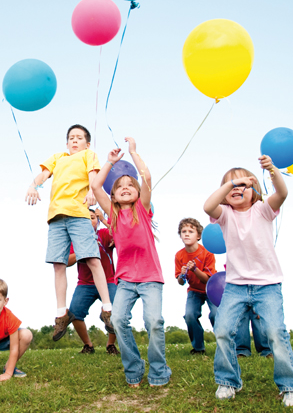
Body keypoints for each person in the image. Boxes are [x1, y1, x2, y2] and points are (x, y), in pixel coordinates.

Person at [203, 156, 293, 408]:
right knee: (223, 331)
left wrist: (272, 170)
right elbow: (207, 206)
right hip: (235, 287)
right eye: (230, 186)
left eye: (242, 186)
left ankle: (290, 386)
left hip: (267, 285)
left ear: (255, 191)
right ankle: (227, 381)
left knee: (275, 333)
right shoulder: (224, 214)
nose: (235, 189)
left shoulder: (263, 209)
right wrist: (234, 182)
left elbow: (282, 192)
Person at [91, 138, 171, 388]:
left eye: (130, 184)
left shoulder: (144, 210)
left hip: (150, 278)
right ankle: (134, 370)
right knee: (117, 320)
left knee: (153, 322)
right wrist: (109, 162)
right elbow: (95, 186)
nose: (125, 187)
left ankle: (159, 371)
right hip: (125, 280)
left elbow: (146, 176)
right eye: (119, 186)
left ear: (137, 192)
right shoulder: (113, 215)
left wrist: (134, 153)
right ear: (113, 195)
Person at [25, 124, 114, 340]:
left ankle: (108, 309)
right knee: (58, 264)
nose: (74, 140)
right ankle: (60, 315)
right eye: (71, 138)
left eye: (79, 137)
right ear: (66, 143)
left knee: (92, 259)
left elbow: (94, 178)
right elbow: (43, 175)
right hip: (56, 217)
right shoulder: (58, 157)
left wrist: (93, 193)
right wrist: (32, 187)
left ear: (87, 143)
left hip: (78, 214)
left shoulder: (88, 155)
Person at [68, 208, 118, 355]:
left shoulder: (103, 234)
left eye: (92, 218)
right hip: (85, 284)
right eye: (85, 218)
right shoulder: (76, 239)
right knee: (74, 313)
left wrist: (104, 219)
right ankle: (88, 345)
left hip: (109, 281)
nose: (90, 221)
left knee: (117, 311)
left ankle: (110, 345)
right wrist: (83, 251)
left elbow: (119, 234)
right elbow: (68, 261)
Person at [174, 218, 216, 355]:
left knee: (216, 315)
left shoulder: (207, 253)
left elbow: (207, 280)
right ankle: (198, 348)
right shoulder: (179, 255)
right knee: (190, 316)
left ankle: (224, 343)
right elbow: (180, 282)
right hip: (194, 291)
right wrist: (182, 275)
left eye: (191, 231)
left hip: (211, 289)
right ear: (180, 235)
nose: (186, 234)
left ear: (198, 236)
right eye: (183, 231)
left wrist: (195, 269)